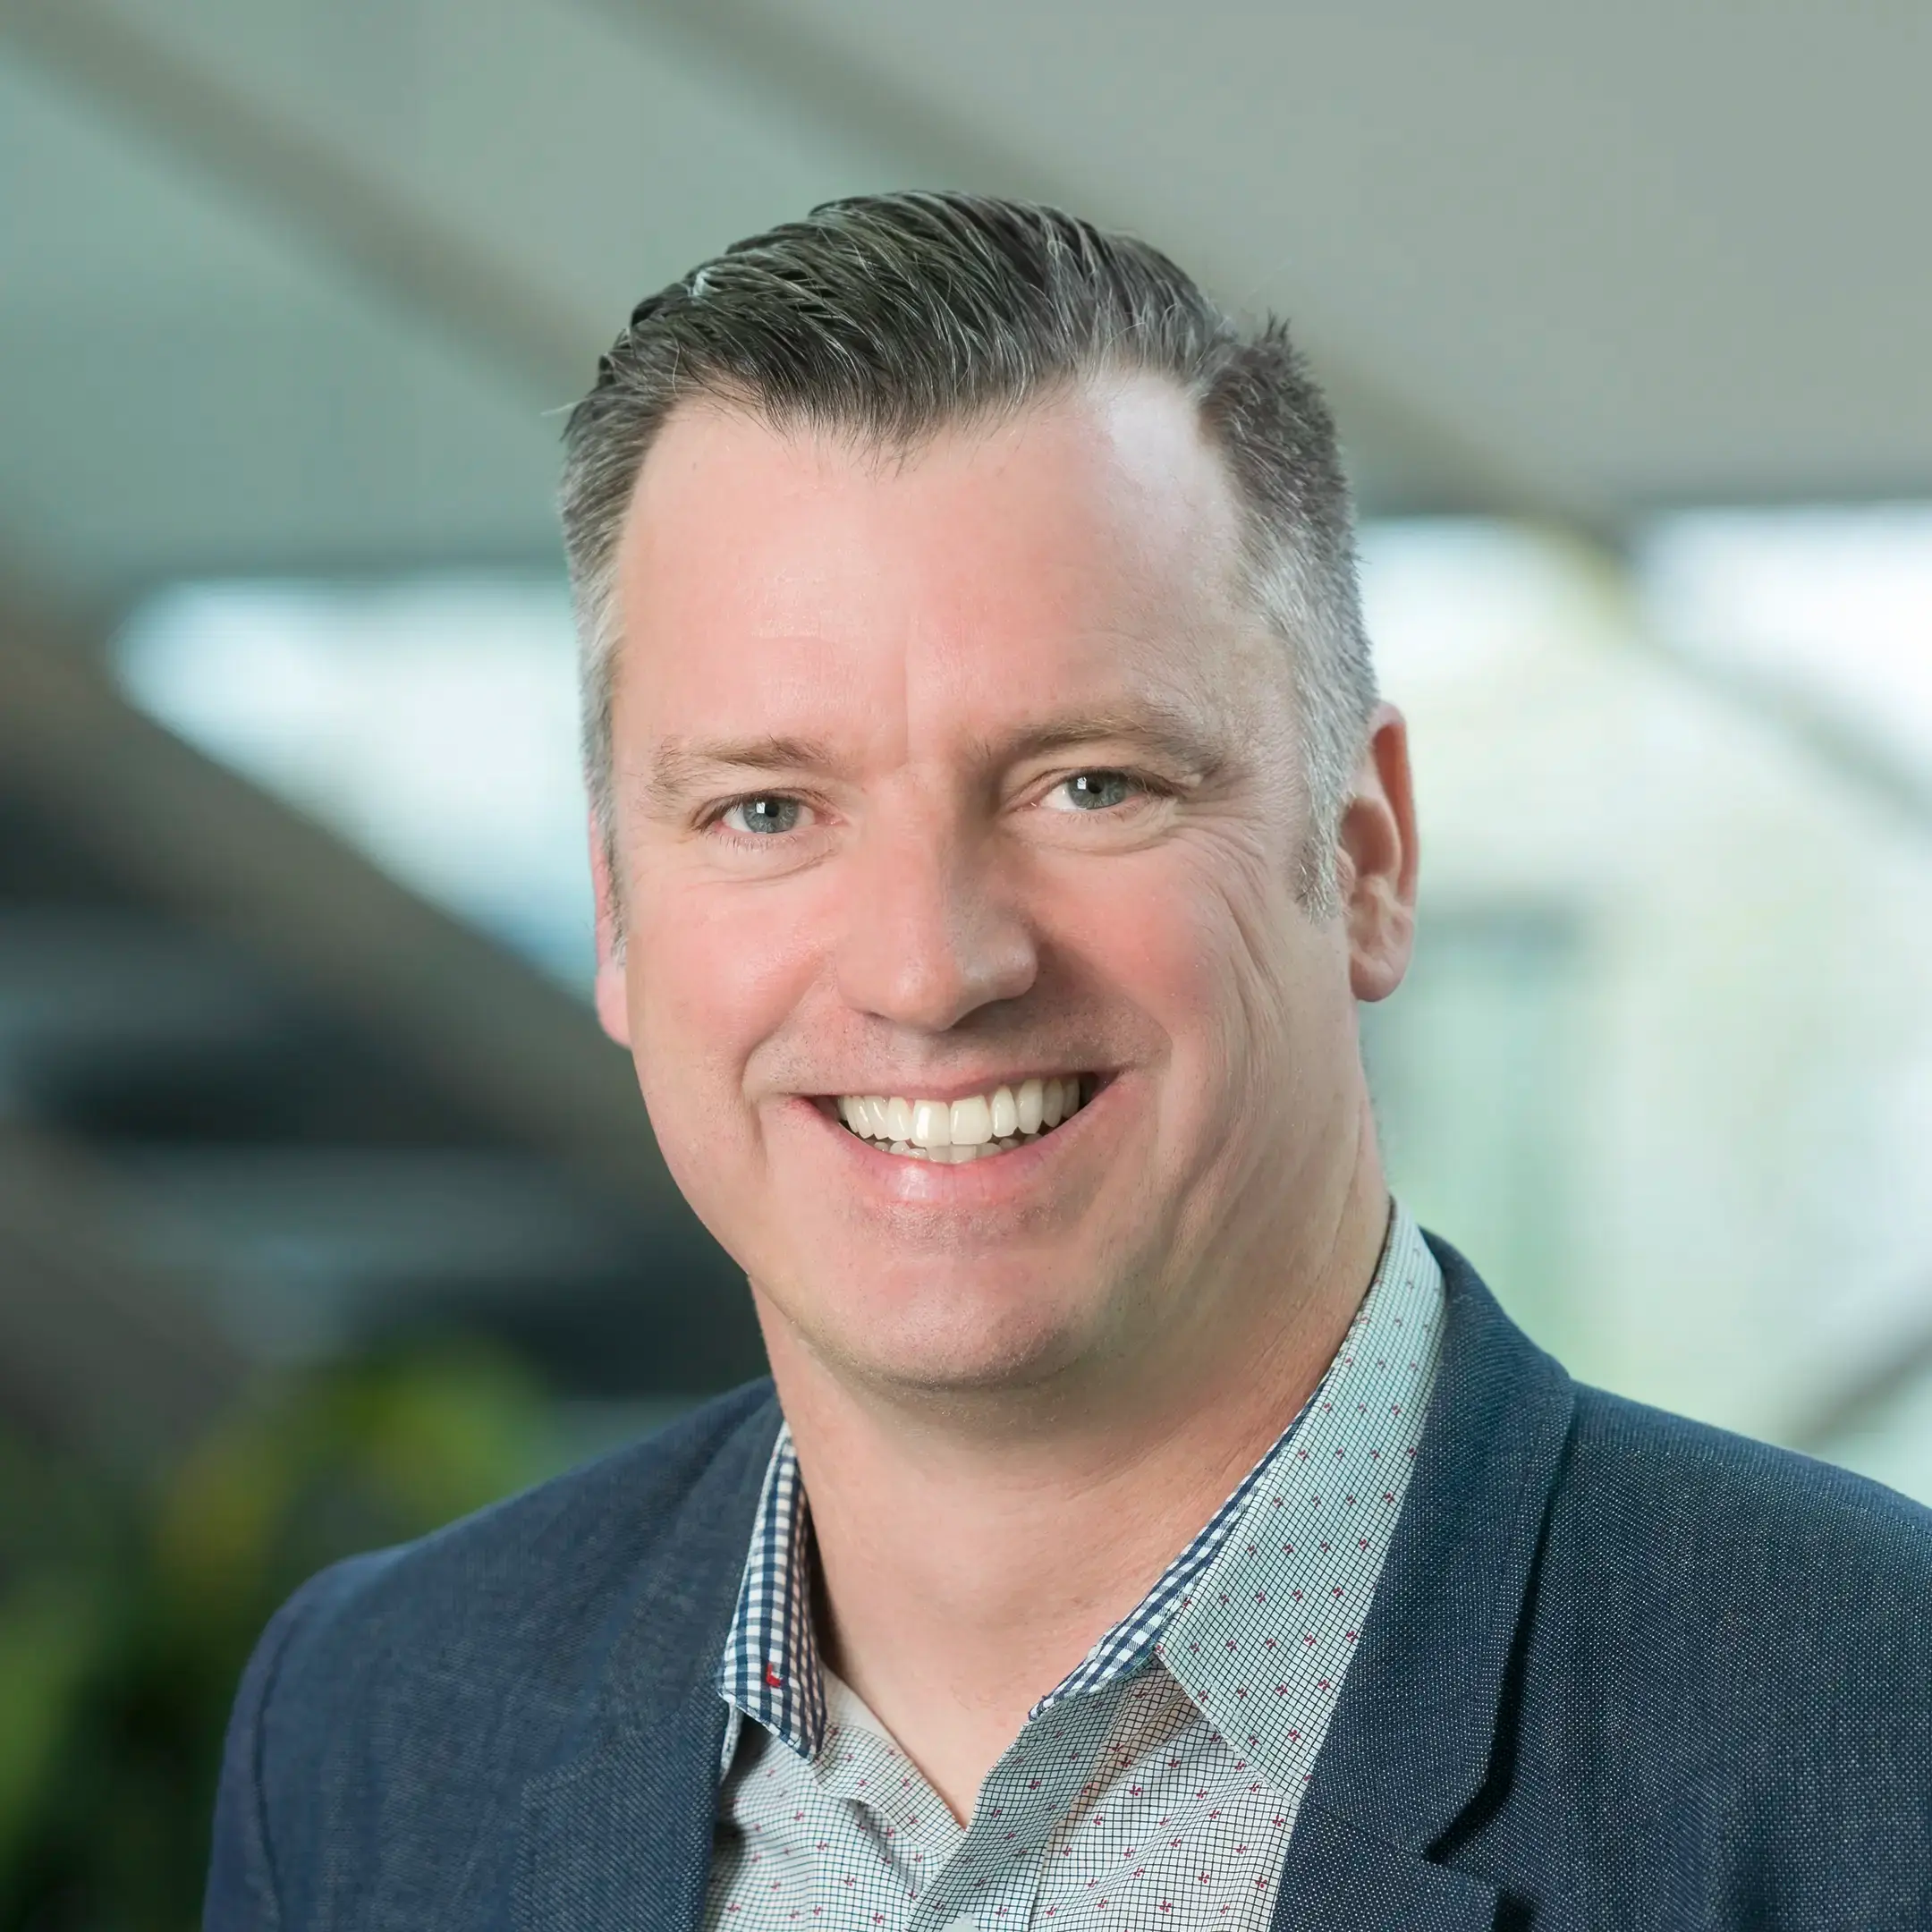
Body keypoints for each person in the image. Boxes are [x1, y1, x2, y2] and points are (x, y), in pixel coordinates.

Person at [204, 193, 1932, 1931]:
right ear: (619, 917)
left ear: (1371, 855)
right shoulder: (375, 1733)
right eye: (768, 809)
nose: (930, 966)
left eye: (1090, 783)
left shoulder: (1873, 1727)